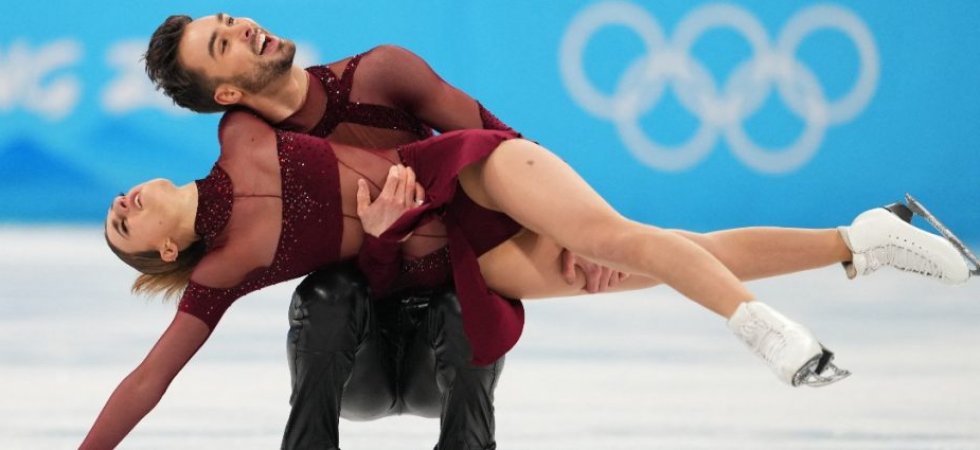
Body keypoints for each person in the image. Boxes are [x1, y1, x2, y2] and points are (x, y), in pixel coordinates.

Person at [81, 100, 973, 448]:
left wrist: (523, 163)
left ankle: (768, 331)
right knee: (668, 252)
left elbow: (374, 94)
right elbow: (149, 377)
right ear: (166, 251)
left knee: (630, 242)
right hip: (459, 249)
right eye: (124, 229)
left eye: (118, 205)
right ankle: (860, 242)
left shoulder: (237, 129)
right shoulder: (226, 267)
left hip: (468, 171)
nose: (122, 204)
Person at [143, 13, 629, 450]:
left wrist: (585, 235)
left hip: (441, 345)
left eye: (228, 19)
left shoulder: (379, 75)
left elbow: (511, 150)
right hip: (360, 358)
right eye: (221, 44)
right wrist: (382, 240)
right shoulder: (254, 148)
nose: (240, 27)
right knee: (327, 293)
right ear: (226, 94)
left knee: (465, 301)